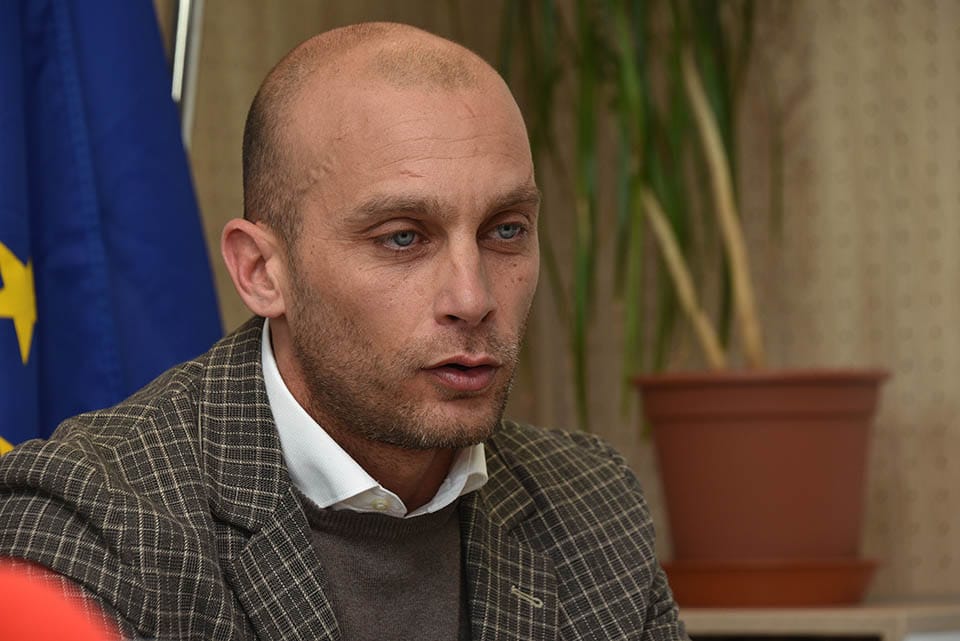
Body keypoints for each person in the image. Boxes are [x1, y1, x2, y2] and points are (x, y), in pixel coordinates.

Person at [0, 22, 688, 641]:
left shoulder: (591, 504)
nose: (473, 298)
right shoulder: (96, 523)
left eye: (505, 230)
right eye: (402, 237)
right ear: (262, 271)